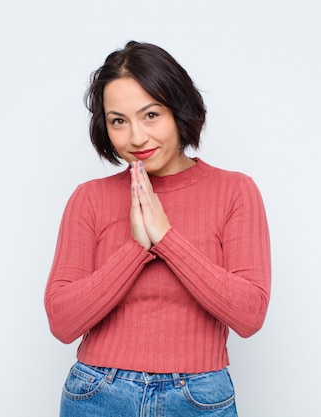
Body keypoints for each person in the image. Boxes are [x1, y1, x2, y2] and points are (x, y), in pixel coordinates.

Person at [44, 40, 271, 417]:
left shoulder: (234, 191)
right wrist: (136, 249)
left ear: (179, 110)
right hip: (98, 393)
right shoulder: (89, 198)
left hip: (199, 396)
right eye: (119, 120)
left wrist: (166, 238)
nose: (135, 138)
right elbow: (63, 321)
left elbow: (249, 315)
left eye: (150, 115)